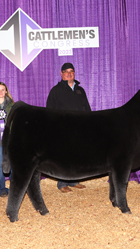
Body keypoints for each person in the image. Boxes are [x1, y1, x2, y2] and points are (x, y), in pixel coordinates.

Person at [46, 62, 91, 193]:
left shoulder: (80, 90)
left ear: (74, 73)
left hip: (79, 128)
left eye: (71, 71)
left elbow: (87, 108)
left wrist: (89, 124)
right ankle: (62, 183)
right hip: (62, 129)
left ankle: (74, 181)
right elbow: (50, 111)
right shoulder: (56, 90)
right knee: (63, 157)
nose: (69, 73)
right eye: (66, 71)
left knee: (77, 156)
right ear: (61, 74)